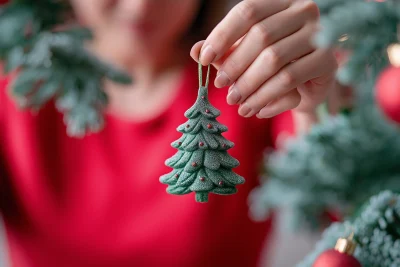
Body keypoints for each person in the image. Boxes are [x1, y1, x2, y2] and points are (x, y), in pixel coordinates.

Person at [0, 0, 337, 266]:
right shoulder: (18, 87)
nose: (140, 7)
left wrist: (318, 106)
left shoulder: (254, 84)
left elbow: (344, 210)